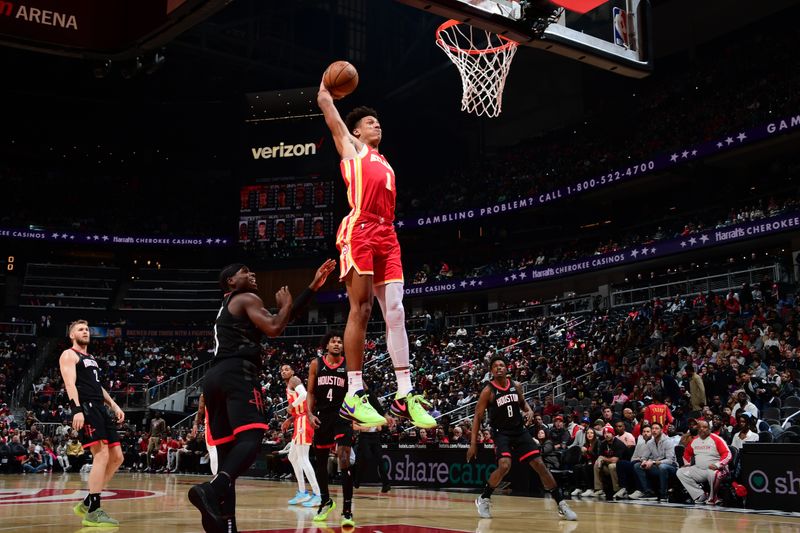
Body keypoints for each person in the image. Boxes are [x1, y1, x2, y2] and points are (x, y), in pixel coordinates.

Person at [317, 80, 435, 430]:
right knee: (363, 308)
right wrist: (326, 88)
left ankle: (405, 392)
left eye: (378, 121)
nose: (376, 124)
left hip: (388, 233)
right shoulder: (352, 149)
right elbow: (327, 108)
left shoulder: (384, 161)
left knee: (396, 310)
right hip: (361, 230)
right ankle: (354, 393)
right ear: (355, 132)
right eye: (370, 122)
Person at [188, 260, 335, 533]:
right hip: (238, 373)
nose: (252, 274)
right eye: (245, 272)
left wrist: (312, 287)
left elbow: (281, 319)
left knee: (228, 454)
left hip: (214, 378)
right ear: (231, 281)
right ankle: (212, 489)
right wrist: (287, 303)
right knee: (253, 438)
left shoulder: (229, 306)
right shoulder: (247, 297)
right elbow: (276, 327)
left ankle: (226, 526)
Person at [467, 356, 577, 521]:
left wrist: (529, 411)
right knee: (505, 466)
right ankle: (484, 498)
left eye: (501, 365)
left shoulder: (516, 386)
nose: (498, 368)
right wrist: (473, 444)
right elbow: (477, 417)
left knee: (540, 465)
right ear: (491, 371)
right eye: (495, 366)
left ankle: (561, 503)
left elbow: (523, 404)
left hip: (519, 431)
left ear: (507, 368)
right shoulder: (488, 391)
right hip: (501, 432)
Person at [58, 320, 125, 527]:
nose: (85, 332)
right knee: (101, 454)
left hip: (100, 407)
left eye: (87, 329)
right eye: (80, 329)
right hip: (86, 407)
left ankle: (87, 502)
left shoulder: (91, 358)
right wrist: (76, 409)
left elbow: (98, 386)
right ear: (72, 335)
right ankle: (94, 510)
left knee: (117, 458)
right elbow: (70, 383)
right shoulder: (69, 354)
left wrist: (113, 405)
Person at [308, 331, 375, 528]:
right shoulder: (316, 364)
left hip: (342, 417)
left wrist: (371, 410)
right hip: (322, 417)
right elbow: (310, 392)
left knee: (344, 459)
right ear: (326, 345)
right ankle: (326, 501)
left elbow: (363, 390)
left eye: (339, 342)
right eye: (333, 341)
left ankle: (347, 511)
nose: (337, 344)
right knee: (319, 462)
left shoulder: (349, 366)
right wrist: (310, 415)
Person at [279, 363, 321, 507]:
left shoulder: (294, 380)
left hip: (304, 420)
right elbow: (300, 405)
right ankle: (302, 493)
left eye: (287, 369)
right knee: (292, 456)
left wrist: (291, 406)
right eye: (282, 370)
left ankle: (318, 494)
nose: (284, 371)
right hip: (299, 419)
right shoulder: (289, 384)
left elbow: (304, 395)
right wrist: (290, 419)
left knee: (303, 458)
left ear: (293, 371)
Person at [677, 420, 732, 505]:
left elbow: (727, 454)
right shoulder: (694, 441)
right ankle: (700, 495)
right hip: (699, 469)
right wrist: (687, 463)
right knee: (680, 472)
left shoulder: (716, 439)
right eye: (699, 427)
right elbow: (686, 453)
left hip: (717, 469)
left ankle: (713, 498)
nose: (702, 429)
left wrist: (718, 465)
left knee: (713, 473)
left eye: (705, 427)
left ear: (709, 429)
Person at [630, 422, 677, 501]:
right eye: (653, 429)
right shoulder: (650, 443)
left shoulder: (668, 441)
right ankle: (649, 492)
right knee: (638, 466)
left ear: (661, 430)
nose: (654, 431)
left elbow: (670, 460)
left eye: (657, 429)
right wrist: (644, 462)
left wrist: (653, 462)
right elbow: (644, 457)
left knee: (662, 467)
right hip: (657, 466)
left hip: (671, 467)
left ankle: (663, 494)